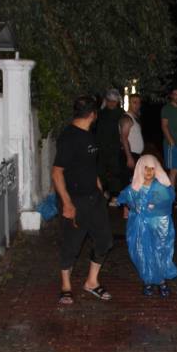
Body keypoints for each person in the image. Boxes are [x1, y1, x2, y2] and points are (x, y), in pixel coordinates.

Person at [53, 95, 114, 304]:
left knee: (105, 240)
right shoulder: (69, 137)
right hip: (75, 199)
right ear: (92, 114)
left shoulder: (88, 134)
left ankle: (91, 282)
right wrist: (67, 203)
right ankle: (66, 286)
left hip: (93, 198)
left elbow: (89, 166)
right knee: (71, 244)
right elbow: (57, 172)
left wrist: (99, 189)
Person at [117, 154, 177, 297]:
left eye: (152, 168)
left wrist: (153, 206)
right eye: (146, 168)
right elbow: (125, 198)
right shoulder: (134, 187)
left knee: (159, 251)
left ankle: (162, 281)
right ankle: (147, 280)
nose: (149, 172)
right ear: (140, 169)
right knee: (142, 252)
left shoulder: (161, 187)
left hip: (158, 225)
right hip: (139, 226)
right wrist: (130, 206)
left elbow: (168, 201)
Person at [94, 88, 125, 204]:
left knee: (115, 172)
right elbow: (95, 130)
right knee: (100, 172)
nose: (112, 103)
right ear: (106, 101)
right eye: (109, 100)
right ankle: (104, 192)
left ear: (117, 101)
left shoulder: (121, 114)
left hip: (115, 148)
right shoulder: (100, 114)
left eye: (114, 101)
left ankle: (115, 196)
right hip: (101, 148)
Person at [160, 85, 177, 201]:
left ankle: (171, 192)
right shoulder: (167, 108)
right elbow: (164, 126)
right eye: (175, 94)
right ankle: (170, 196)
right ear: (171, 95)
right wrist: (171, 142)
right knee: (173, 171)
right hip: (172, 144)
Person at [119, 93, 145, 178]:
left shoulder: (135, 118)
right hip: (130, 155)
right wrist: (129, 157)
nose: (137, 105)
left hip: (136, 155)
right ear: (129, 103)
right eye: (134, 102)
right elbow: (123, 138)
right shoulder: (127, 118)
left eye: (139, 102)